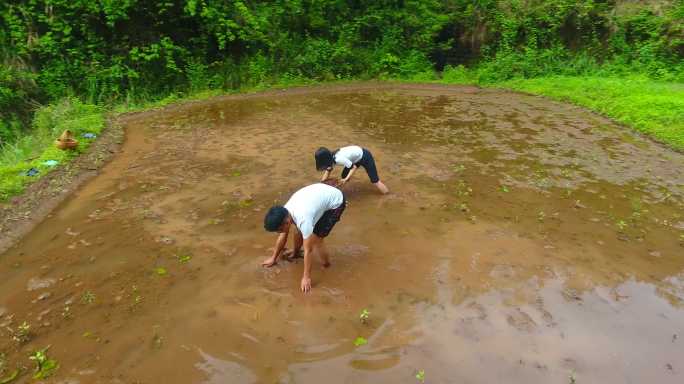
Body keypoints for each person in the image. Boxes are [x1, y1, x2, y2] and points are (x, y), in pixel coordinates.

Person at [263, 183, 346, 293]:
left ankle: (327, 265)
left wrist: (306, 277)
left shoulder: (303, 219)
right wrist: (273, 258)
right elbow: (284, 234)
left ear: (286, 222)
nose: (279, 232)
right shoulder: (285, 212)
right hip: (319, 196)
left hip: (336, 202)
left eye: (279, 230)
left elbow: (308, 250)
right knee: (298, 230)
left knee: (317, 239)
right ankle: (296, 253)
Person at [315, 145, 389, 194]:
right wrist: (321, 184)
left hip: (365, 156)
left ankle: (387, 195)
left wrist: (346, 179)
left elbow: (353, 167)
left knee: (375, 181)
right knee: (344, 176)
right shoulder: (330, 159)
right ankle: (350, 191)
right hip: (355, 158)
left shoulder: (338, 159)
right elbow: (328, 171)